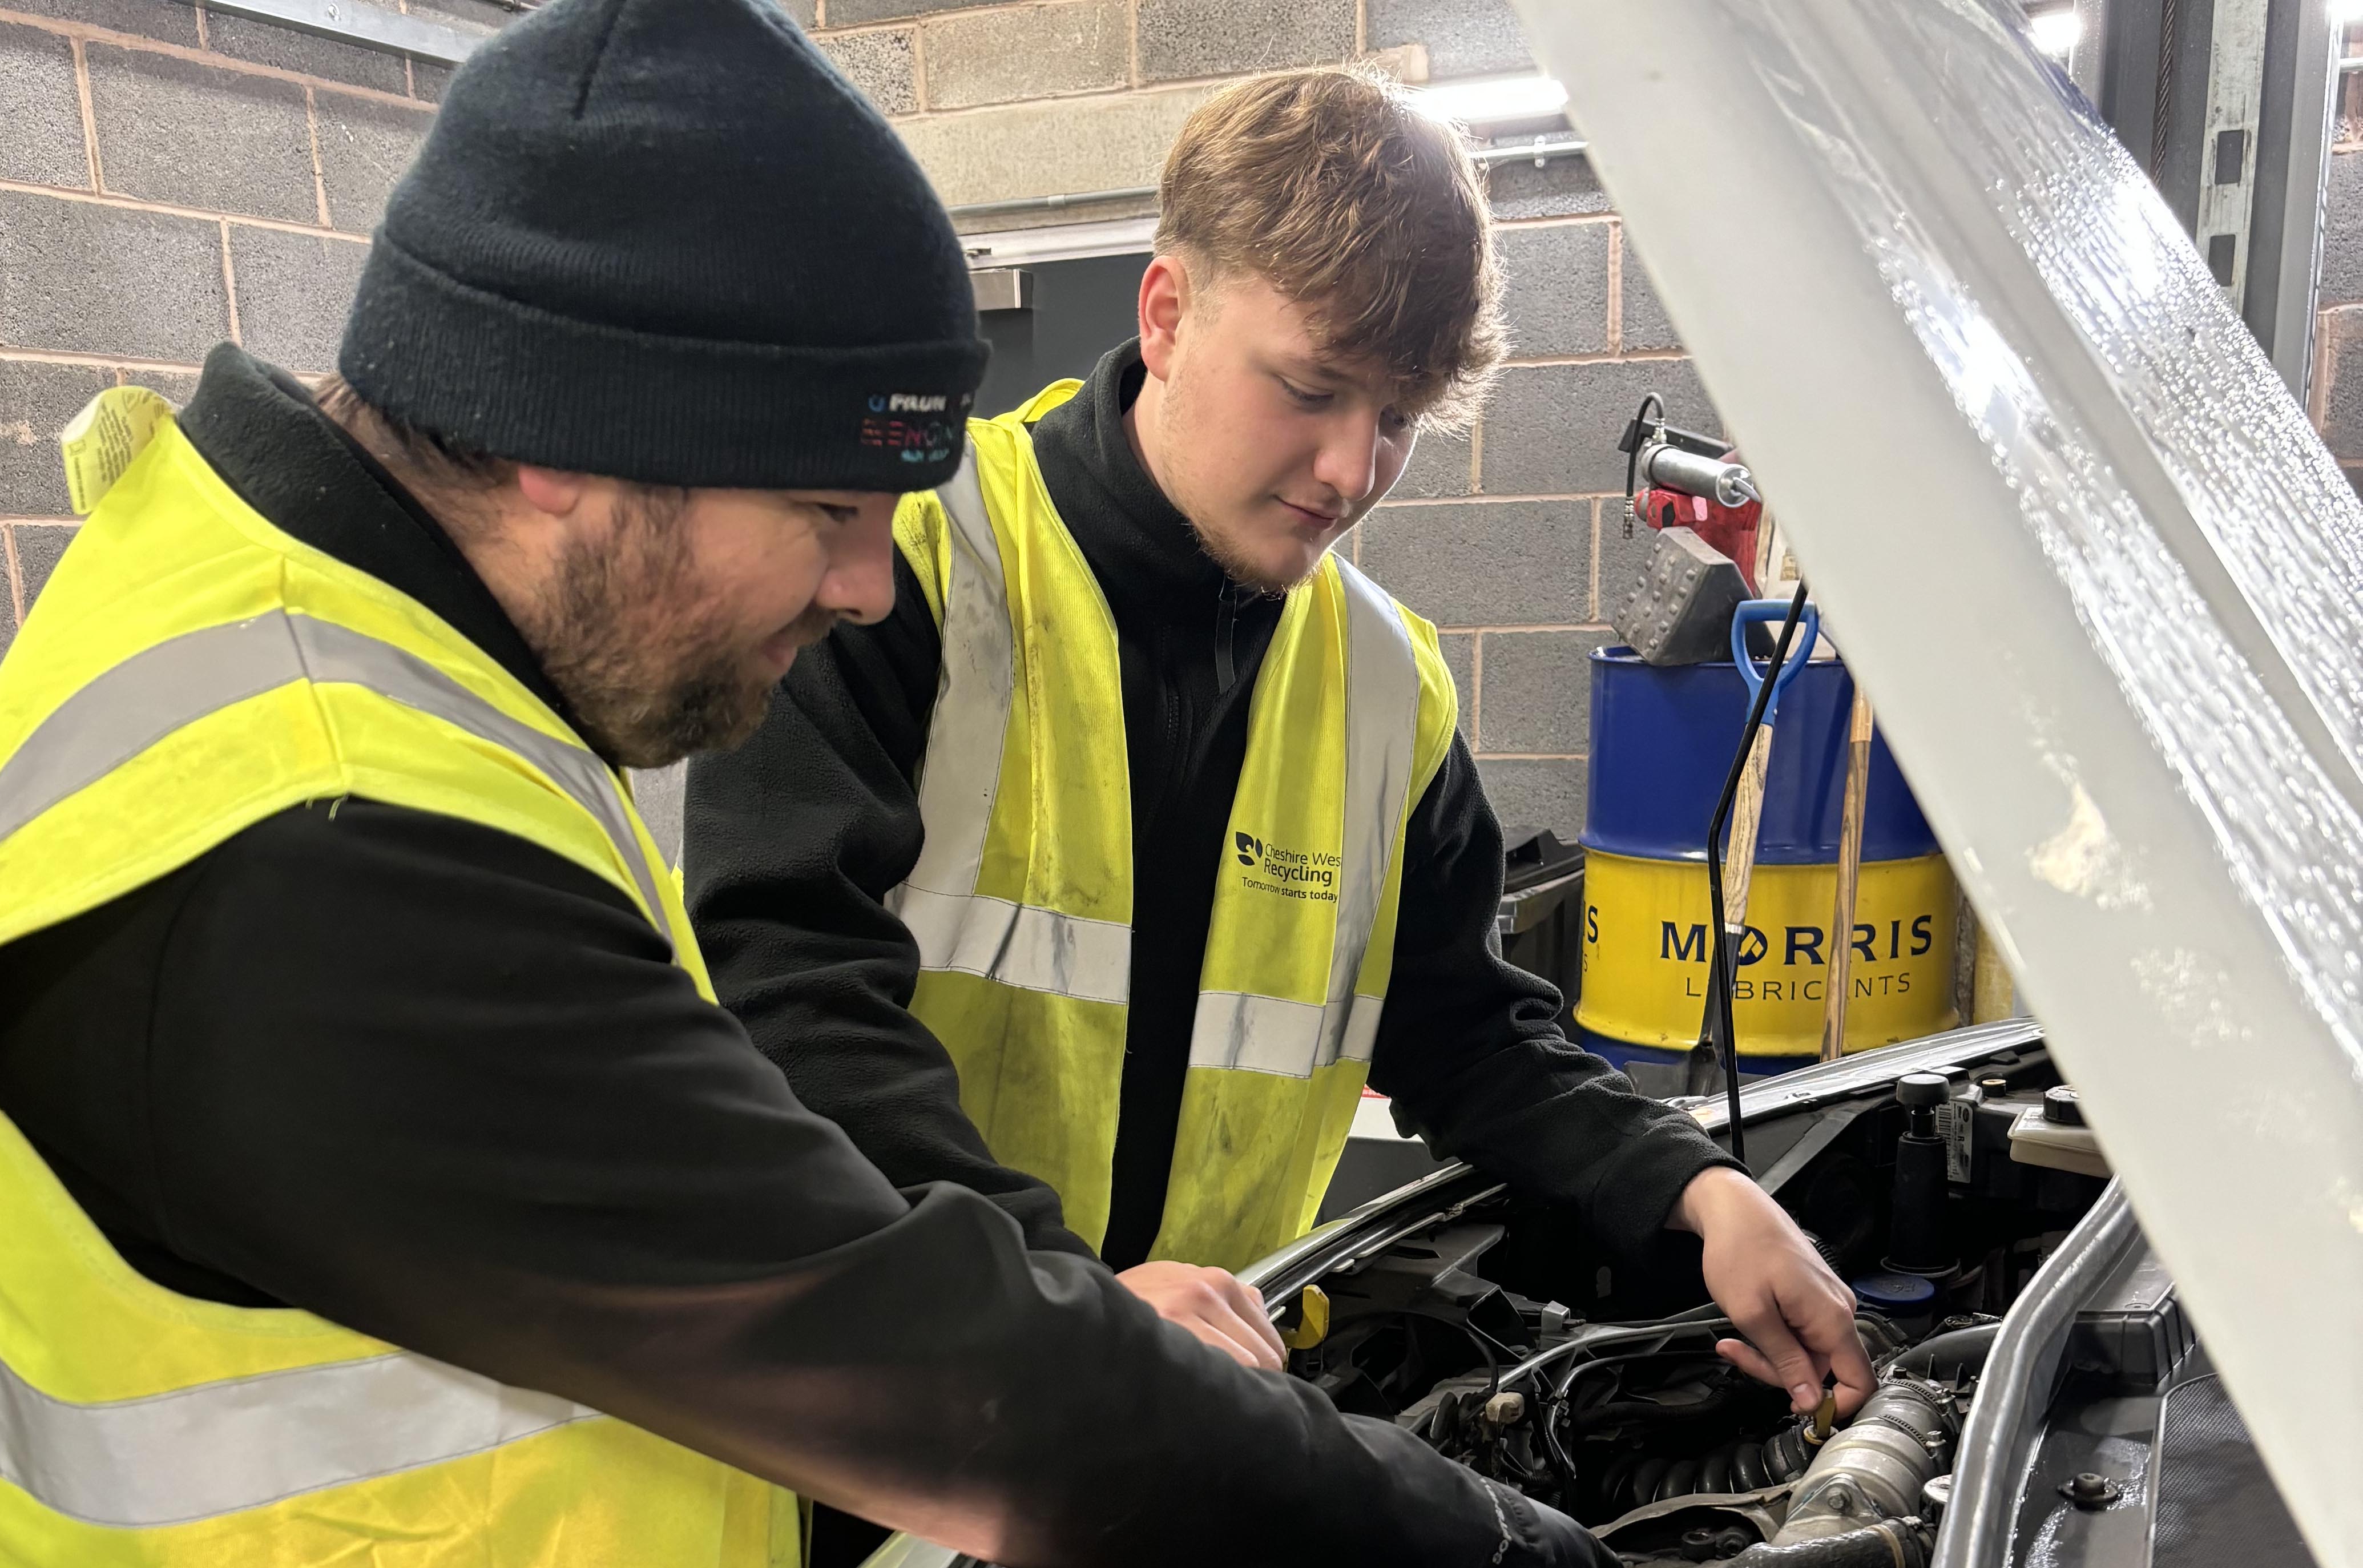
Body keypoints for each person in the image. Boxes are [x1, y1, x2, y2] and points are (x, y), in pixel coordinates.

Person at [0, 5, 1651, 1568]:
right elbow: (940, 1362)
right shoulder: (307, 843)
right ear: (568, 425)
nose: (862, 585)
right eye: (834, 507)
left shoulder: (397, 684)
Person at [683, 70, 1873, 1412]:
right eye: (1313, 388)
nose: (1351, 471)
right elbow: (784, 988)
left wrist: (1698, 1187)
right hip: (893, 1382)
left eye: (1402, 421)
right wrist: (1050, 1291)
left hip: (1199, 1408)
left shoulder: (1385, 685)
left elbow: (1465, 1028)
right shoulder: (905, 564)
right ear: (1169, 314)